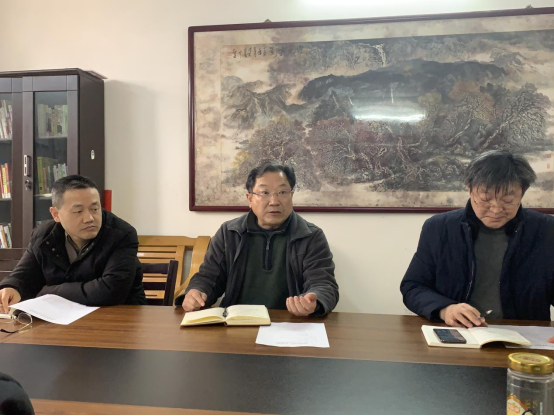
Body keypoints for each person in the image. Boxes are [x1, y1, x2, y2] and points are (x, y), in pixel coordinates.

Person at [401, 150, 554, 338]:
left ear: (522, 193)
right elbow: (413, 286)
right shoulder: (440, 228)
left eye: (508, 200)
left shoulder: (546, 230)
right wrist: (445, 309)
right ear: (469, 189)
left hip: (526, 338)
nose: (496, 209)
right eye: (485, 199)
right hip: (458, 334)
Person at [177, 162, 339, 317]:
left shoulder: (311, 236)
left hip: (290, 323)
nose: (274, 201)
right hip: (236, 322)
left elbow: (324, 284)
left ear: (291, 195)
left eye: (282, 192)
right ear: (250, 199)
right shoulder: (229, 232)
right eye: (264, 193)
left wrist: (314, 301)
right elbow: (209, 278)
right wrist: (196, 293)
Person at [0, 175, 146, 313]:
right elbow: (24, 274)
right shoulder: (44, 235)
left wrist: (50, 292)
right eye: (78, 211)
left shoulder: (121, 234)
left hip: (118, 316)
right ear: (56, 214)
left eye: (95, 209)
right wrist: (12, 287)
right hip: (61, 316)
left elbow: (111, 290)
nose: (89, 218)